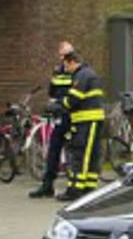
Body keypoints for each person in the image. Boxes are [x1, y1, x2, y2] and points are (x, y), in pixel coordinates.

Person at [29, 41, 75, 199]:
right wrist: (54, 105)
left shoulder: (78, 71)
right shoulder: (58, 70)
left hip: (74, 115)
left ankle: (75, 186)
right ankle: (47, 185)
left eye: (66, 56)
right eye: (62, 55)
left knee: (74, 150)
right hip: (61, 115)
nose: (63, 58)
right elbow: (52, 91)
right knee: (54, 149)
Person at [59, 49, 106, 201]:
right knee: (91, 155)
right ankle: (88, 187)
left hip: (87, 121)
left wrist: (61, 105)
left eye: (66, 66)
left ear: (72, 62)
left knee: (81, 154)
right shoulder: (87, 73)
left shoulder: (82, 75)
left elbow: (75, 98)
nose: (66, 70)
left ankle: (76, 190)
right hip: (89, 120)